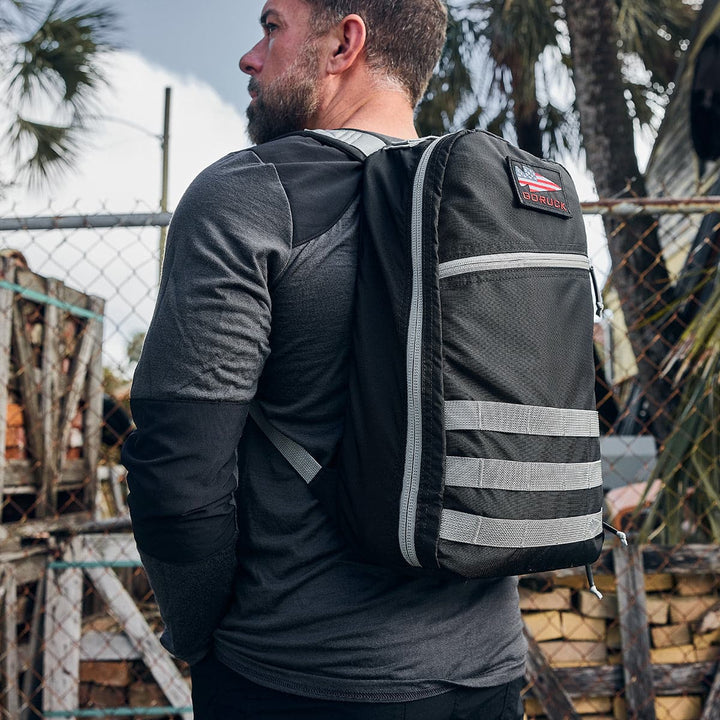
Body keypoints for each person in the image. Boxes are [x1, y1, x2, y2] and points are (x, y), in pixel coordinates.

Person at [121, 1, 527, 718]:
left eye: (272, 27)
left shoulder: (248, 195)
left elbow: (176, 478)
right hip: (491, 674)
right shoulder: (497, 205)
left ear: (345, 42)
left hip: (299, 677)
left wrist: (196, 636)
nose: (250, 56)